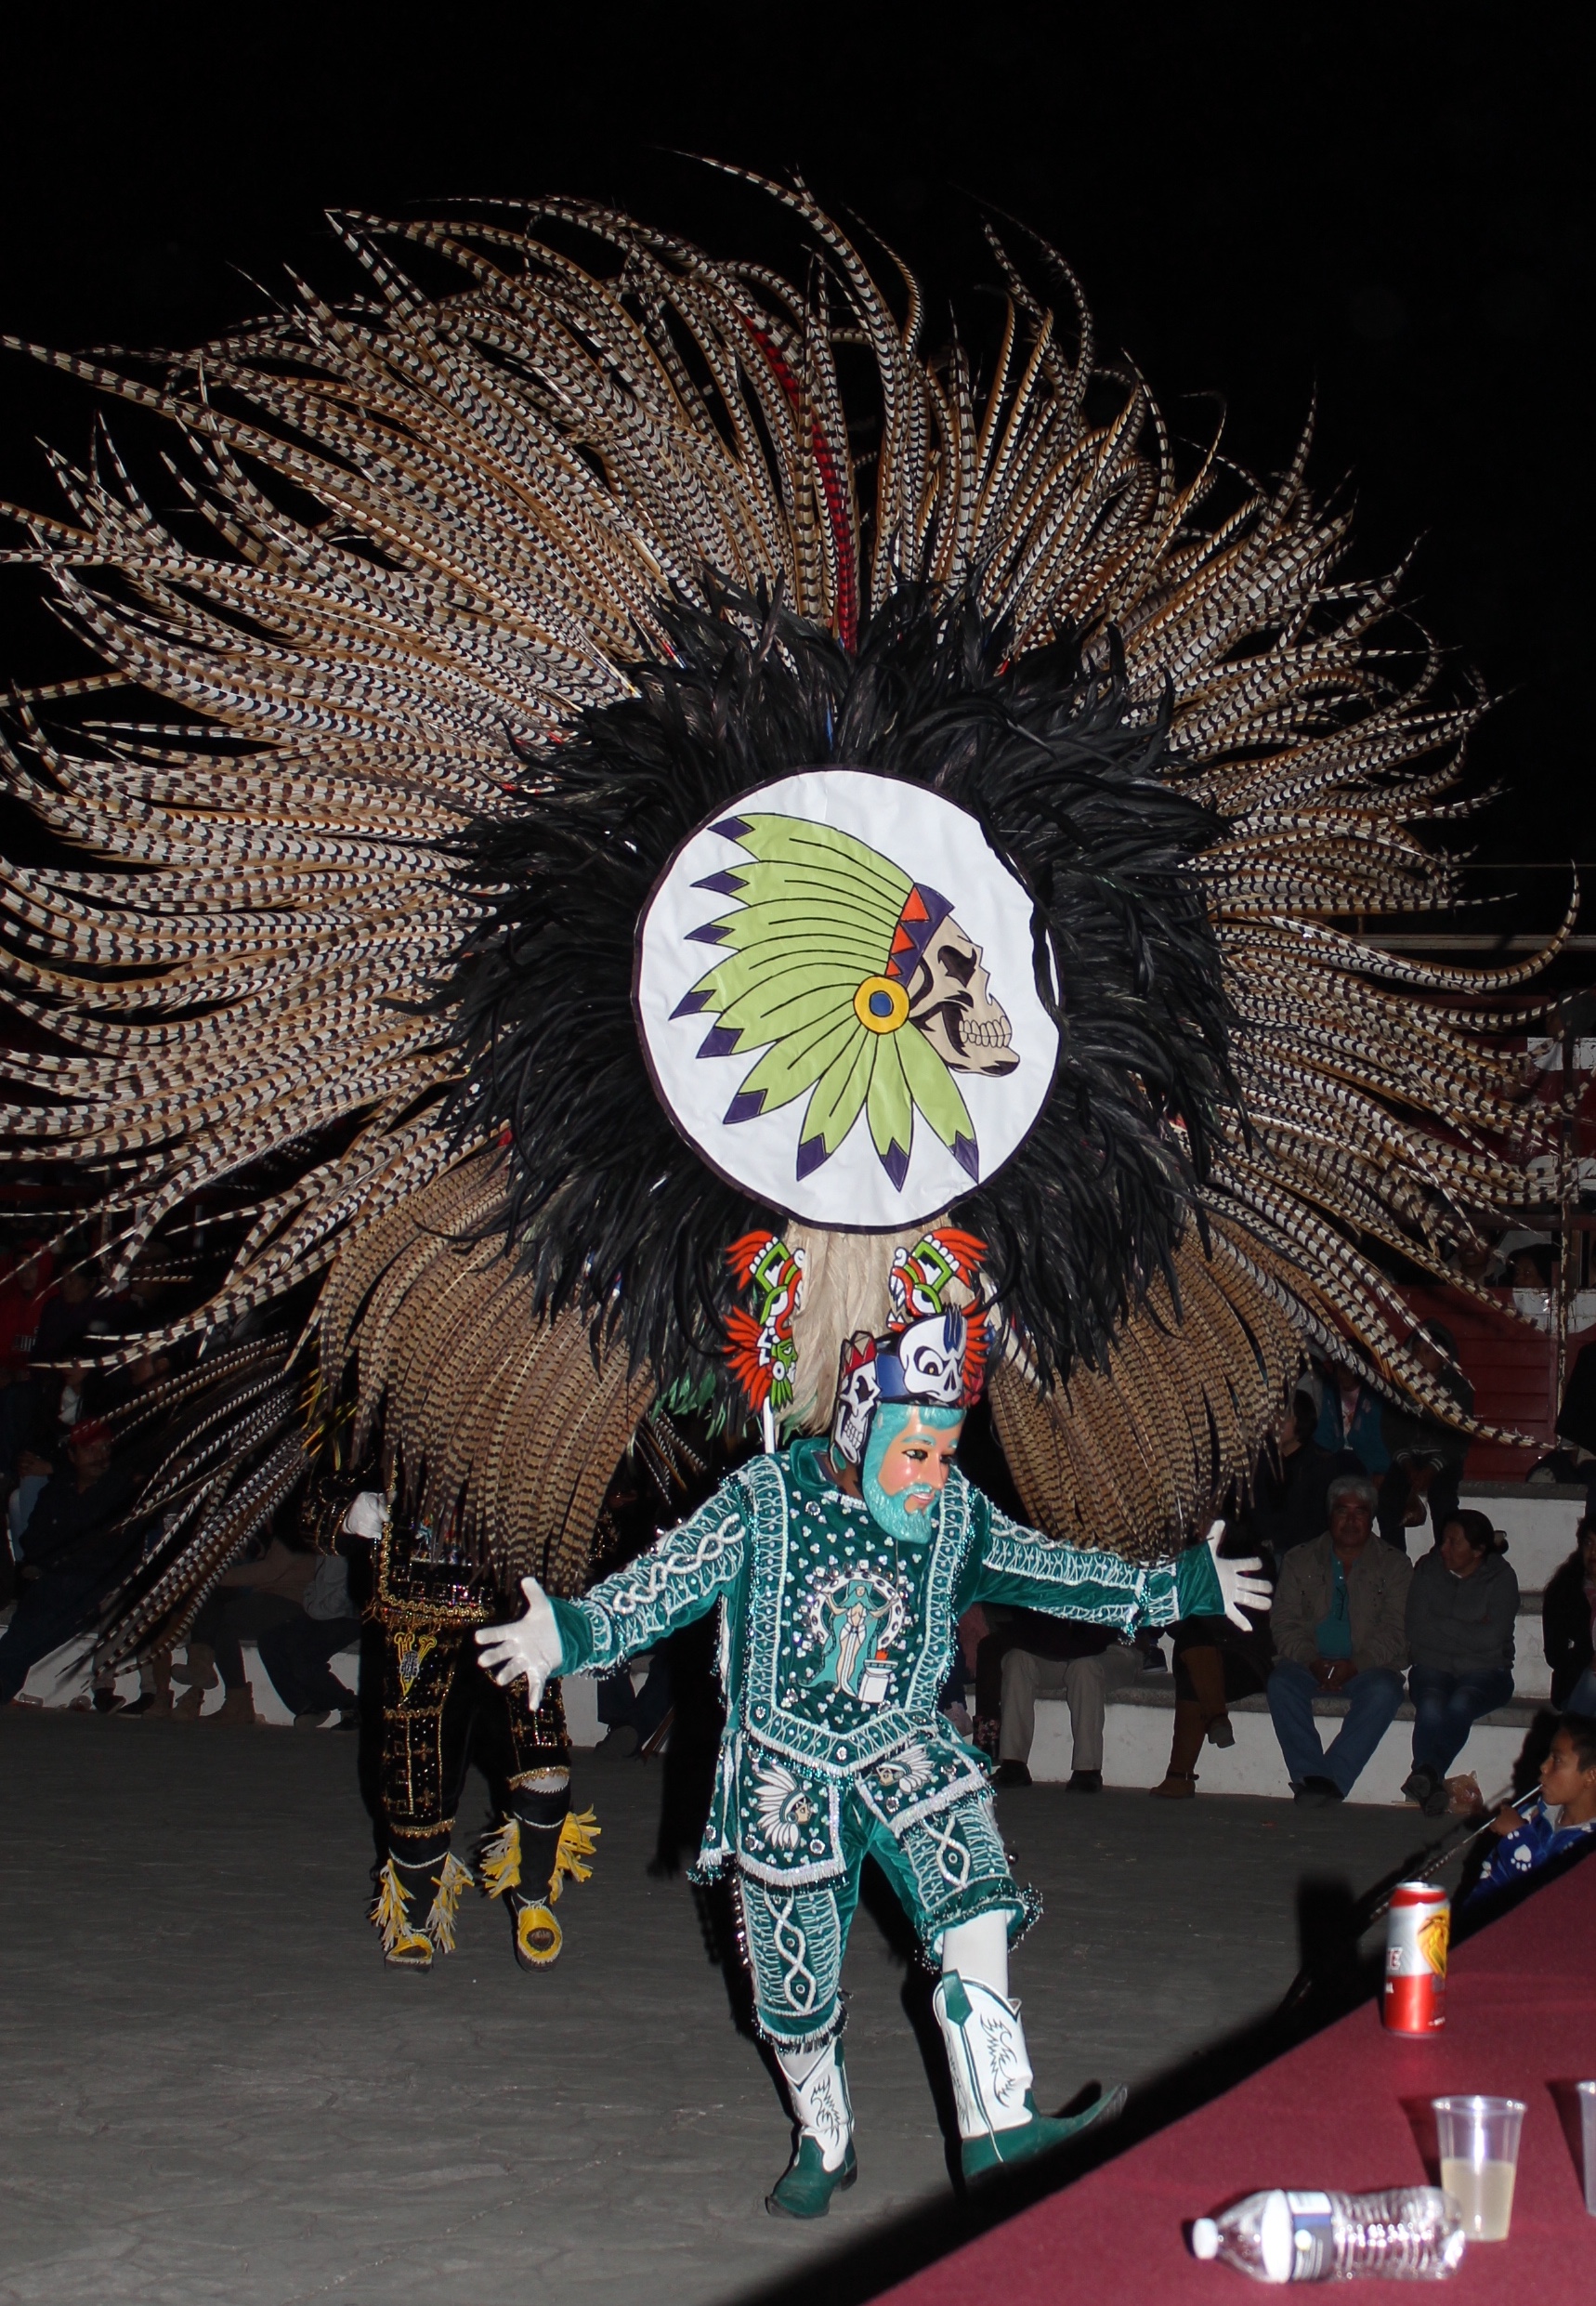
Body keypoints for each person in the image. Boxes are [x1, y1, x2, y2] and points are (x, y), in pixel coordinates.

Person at [476, 1303, 1268, 2215]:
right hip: (783, 1773)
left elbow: (1053, 1568)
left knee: (972, 1886)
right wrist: (568, 1632)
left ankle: (997, 2125)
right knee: (794, 1992)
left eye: (943, 1452)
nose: (932, 1474)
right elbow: (665, 1585)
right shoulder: (762, 1500)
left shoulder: (956, 1516)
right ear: (861, 1425)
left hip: (903, 1749)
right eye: (916, 1451)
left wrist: (1169, 1586)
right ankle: (825, 2138)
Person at [1265, 1473, 1409, 1803]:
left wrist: (1355, 1666)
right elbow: (1284, 1621)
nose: (1351, 1520)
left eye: (1360, 1512)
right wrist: (1310, 1660)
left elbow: (1396, 1629)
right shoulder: (1299, 1559)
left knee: (1385, 1691)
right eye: (1343, 1511)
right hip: (1307, 1662)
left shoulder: (1395, 1565)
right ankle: (1312, 1775)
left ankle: (1331, 1780)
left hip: (1369, 1666)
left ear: (1372, 1518)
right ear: (1330, 1514)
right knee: (1280, 1684)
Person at [0, 1420, 141, 1704]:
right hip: (56, 1576)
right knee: (27, 1627)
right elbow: (34, 1539)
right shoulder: (59, 1489)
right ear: (72, 1455)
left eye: (104, 1448)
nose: (99, 1455)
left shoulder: (120, 1492)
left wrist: (64, 1558)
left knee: (33, 1631)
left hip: (95, 1581)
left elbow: (120, 1551)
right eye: (89, 1450)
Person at [1401, 1509, 1517, 1815]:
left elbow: (1493, 1638)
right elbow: (1415, 1627)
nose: (1444, 1548)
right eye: (1444, 1540)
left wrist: (1440, 1623)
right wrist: (1471, 1630)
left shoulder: (1501, 1577)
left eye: (1454, 1543)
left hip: (1487, 1672)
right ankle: (1429, 1781)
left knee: (1461, 1702)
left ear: (1478, 1551)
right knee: (1430, 1705)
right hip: (1432, 1667)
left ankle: (1426, 1774)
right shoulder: (1429, 1570)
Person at [992, 1622, 1145, 1791]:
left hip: (1113, 1649)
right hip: (1060, 1650)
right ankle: (1013, 1763)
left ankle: (1087, 1768)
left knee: (1084, 1667)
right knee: (1016, 1660)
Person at [1463, 1712, 1596, 1906]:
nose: (1543, 1766)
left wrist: (1517, 1837)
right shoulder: (1532, 1816)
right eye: (1547, 1757)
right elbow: (1490, 1881)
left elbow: (1556, 1902)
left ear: (1591, 1776)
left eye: (1557, 1760)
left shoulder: (1589, 1845)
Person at [255, 1545, 361, 1727]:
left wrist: (322, 1607)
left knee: (304, 1654)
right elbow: (318, 1579)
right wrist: (311, 1598)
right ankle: (308, 1704)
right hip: (322, 1611)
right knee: (270, 1641)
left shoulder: (358, 1536)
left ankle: (350, 1705)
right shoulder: (328, 1536)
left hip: (351, 1614)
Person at [1542, 1515, 1596, 1713]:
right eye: (1588, 1542)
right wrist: (1589, 1661)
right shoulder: (1564, 1590)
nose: (1593, 1551)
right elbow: (1555, 1654)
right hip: (1576, 1683)